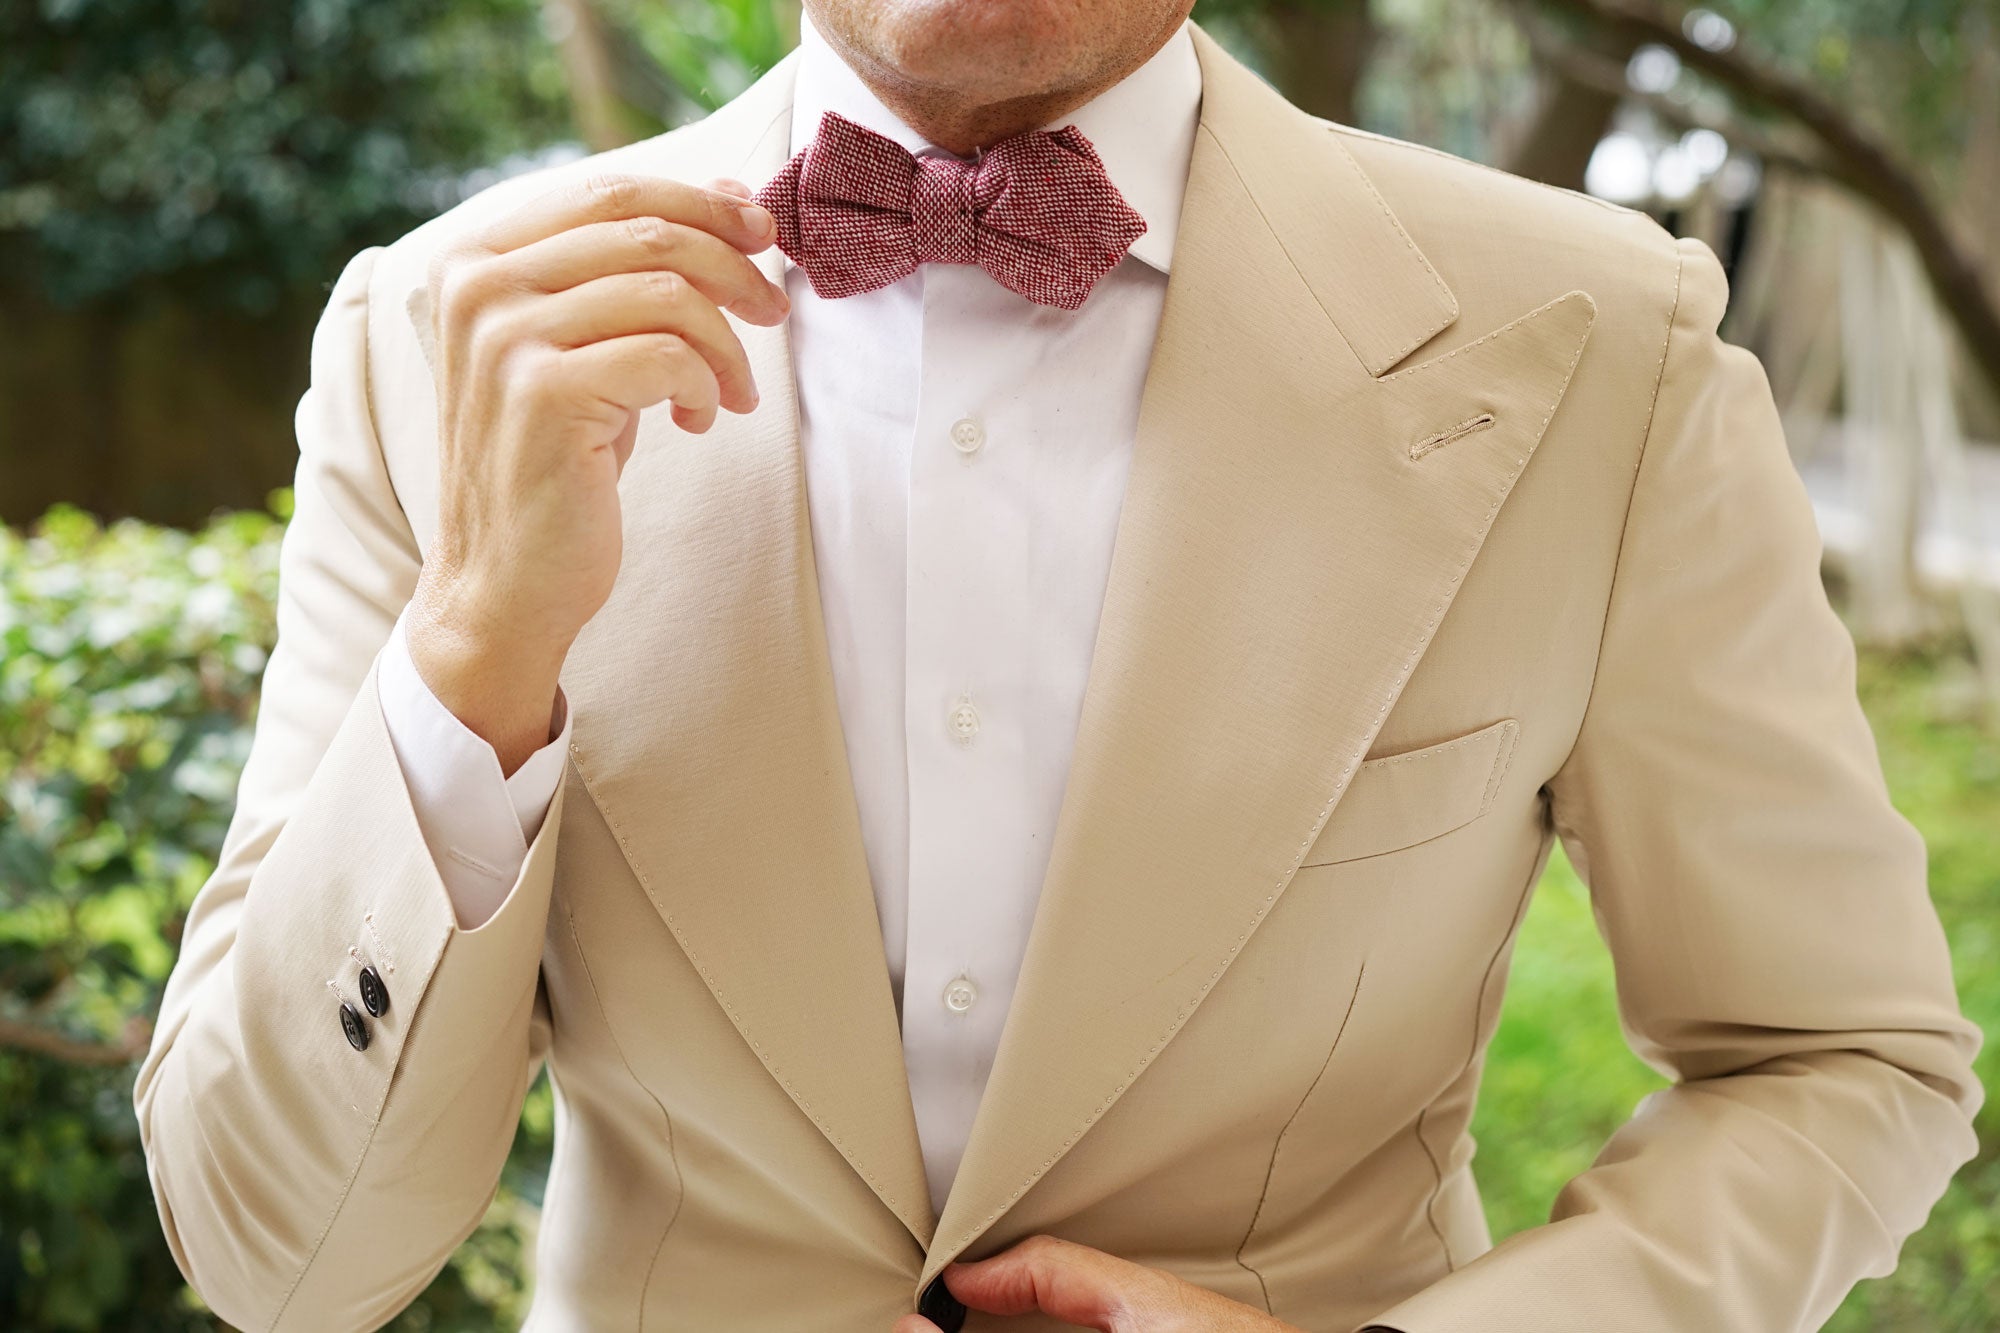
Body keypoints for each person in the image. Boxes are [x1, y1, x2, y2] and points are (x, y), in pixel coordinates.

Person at [133, 0, 1985, 1326]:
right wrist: (475, 648)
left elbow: (1839, 1060)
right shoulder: (429, 338)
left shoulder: (1605, 350)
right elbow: (278, 1257)